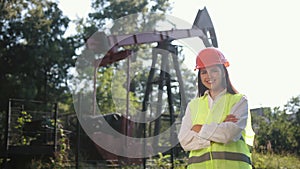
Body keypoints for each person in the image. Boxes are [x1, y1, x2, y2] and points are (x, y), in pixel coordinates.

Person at [178, 47, 255, 169]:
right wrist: (219, 127)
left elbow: (228, 133)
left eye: (214, 70)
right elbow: (184, 141)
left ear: (223, 72)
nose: (208, 75)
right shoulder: (193, 105)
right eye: (203, 72)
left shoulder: (239, 100)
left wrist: (198, 128)